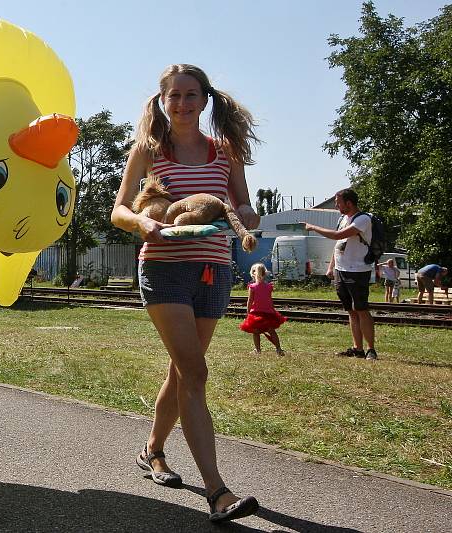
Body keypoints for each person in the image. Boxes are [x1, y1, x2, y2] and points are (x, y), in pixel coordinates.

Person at [111, 64, 261, 524]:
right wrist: (143, 223)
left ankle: (152, 449)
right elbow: (119, 210)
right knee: (195, 372)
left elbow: (242, 203)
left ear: (204, 99)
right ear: (162, 101)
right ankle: (217, 491)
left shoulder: (225, 151)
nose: (182, 103)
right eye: (173, 95)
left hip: (214, 270)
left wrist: (246, 217)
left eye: (190, 94)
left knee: (182, 372)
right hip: (165, 268)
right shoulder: (149, 150)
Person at [304, 188, 377, 360]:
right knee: (351, 311)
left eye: (338, 203)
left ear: (349, 203)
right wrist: (331, 267)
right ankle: (357, 348)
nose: (336, 206)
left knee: (362, 310)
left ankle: (371, 349)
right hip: (341, 270)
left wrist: (313, 227)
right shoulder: (343, 218)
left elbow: (338, 236)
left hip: (357, 271)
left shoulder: (363, 219)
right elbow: (339, 246)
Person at [239, 263, 286, 355]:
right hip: (268, 312)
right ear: (265, 274)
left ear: (253, 274)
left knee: (255, 332)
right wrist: (272, 310)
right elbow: (269, 299)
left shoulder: (252, 287)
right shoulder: (269, 287)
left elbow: (250, 301)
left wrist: (248, 312)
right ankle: (278, 349)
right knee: (271, 331)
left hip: (256, 312)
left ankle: (258, 350)